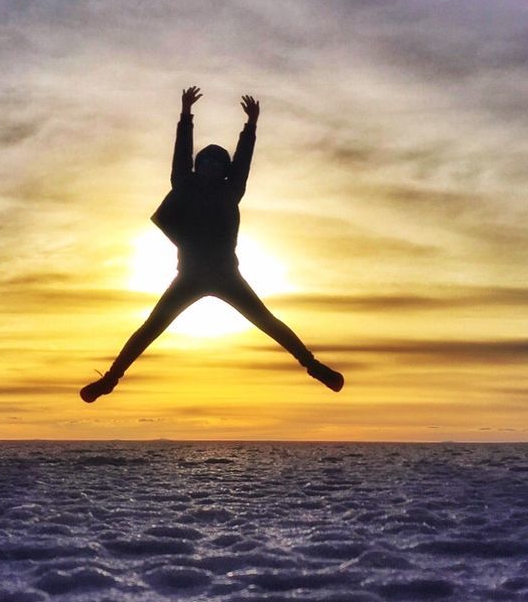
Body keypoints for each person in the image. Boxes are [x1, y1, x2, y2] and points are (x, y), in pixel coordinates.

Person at [80, 86, 344, 403]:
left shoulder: (231, 191)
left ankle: (315, 368)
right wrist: (186, 114)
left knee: (269, 323)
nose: (210, 167)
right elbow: (181, 156)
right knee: (150, 328)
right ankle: (109, 381)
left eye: (218, 164)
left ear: (224, 172)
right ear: (198, 166)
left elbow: (243, 161)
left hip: (225, 276)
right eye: (205, 162)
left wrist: (251, 126)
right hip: (189, 277)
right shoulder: (183, 184)